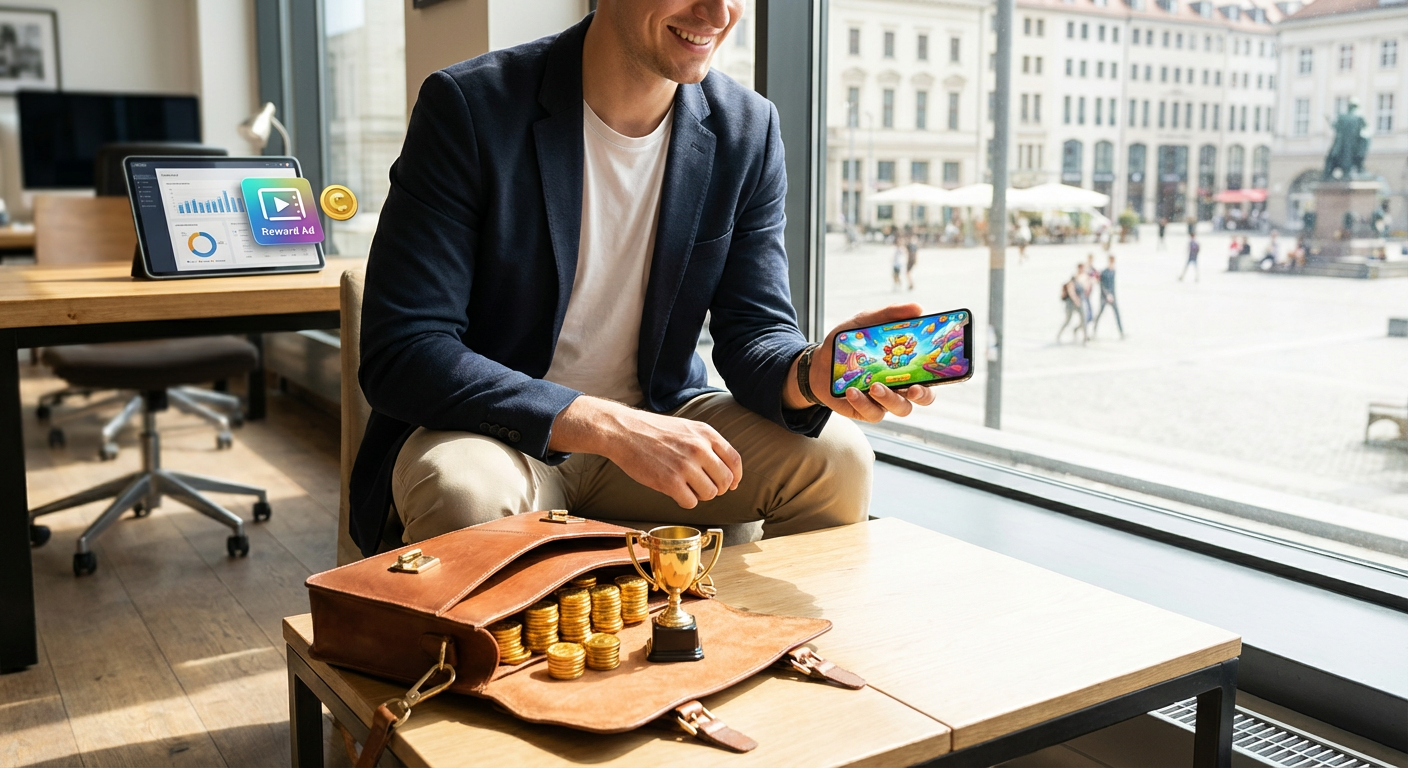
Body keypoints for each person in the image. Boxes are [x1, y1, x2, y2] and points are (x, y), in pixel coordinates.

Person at [351, 1, 940, 555]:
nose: (718, 14)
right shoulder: (471, 107)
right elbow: (405, 350)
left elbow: (756, 330)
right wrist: (605, 424)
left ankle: (779, 655)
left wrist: (811, 373)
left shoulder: (747, 128)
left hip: (661, 413)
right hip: (501, 436)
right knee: (465, 494)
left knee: (837, 459)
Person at [1057, 263, 1089, 345]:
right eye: (1080, 268)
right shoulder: (1074, 277)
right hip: (1071, 303)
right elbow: (1071, 290)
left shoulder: (1084, 277)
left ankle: (1085, 337)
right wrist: (1076, 300)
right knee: (1068, 320)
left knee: (1084, 319)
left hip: (1080, 302)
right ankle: (1059, 334)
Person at [1094, 255, 1124, 339]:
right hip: (1104, 297)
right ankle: (1094, 330)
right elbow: (1102, 284)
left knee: (1117, 314)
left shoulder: (1113, 271)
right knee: (1100, 314)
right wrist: (1107, 294)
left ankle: (1121, 332)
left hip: (1113, 297)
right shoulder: (1104, 272)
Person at [903, 224, 919, 290]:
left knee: (907, 272)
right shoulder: (914, 239)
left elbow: (909, 251)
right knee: (908, 272)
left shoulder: (909, 240)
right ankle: (911, 284)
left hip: (910, 259)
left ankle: (911, 284)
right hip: (912, 258)